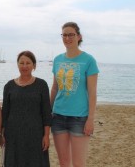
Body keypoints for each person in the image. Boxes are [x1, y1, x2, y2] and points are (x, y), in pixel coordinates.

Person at [50, 22, 99, 167]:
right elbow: (54, 88)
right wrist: (47, 110)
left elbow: (92, 92)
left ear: (79, 36)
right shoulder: (58, 60)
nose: (67, 38)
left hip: (80, 118)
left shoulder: (89, 60)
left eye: (71, 34)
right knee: (64, 162)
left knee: (78, 163)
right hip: (58, 116)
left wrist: (90, 119)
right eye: (64, 35)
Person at [1, 50, 52, 167]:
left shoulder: (41, 85)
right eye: (21, 63)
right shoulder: (9, 86)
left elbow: (46, 112)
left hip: (35, 134)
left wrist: (46, 135)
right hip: (13, 134)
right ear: (17, 64)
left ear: (34, 65)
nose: (24, 66)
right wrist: (2, 134)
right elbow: (5, 112)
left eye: (28, 63)